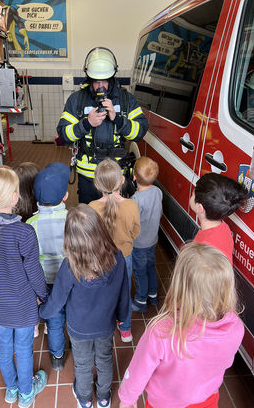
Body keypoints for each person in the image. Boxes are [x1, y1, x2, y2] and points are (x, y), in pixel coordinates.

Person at [118, 242, 244, 408]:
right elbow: (225, 362)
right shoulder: (235, 327)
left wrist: (127, 399)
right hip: (207, 400)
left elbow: (138, 371)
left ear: (180, 286)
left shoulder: (162, 330)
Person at [0, 166, 48, 408]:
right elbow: (34, 272)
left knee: (4, 347)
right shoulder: (23, 232)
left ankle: (11, 390)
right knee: (23, 348)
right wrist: (42, 295)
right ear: (15, 197)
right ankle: (26, 393)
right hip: (23, 304)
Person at [40, 204, 129, 408]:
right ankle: (104, 397)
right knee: (105, 359)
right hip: (106, 324)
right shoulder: (118, 258)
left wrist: (42, 312)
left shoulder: (70, 266)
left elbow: (57, 300)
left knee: (83, 363)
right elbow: (124, 294)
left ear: (70, 238)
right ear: (100, 229)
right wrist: (123, 317)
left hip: (78, 328)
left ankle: (85, 398)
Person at [56, 47, 149, 204]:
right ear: (89, 78)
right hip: (88, 176)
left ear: (112, 78)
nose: (100, 86)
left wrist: (118, 119)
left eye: (104, 81)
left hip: (116, 174)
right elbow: (64, 134)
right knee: (90, 218)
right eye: (96, 81)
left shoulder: (126, 100)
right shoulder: (76, 100)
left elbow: (139, 133)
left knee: (115, 220)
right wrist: (86, 123)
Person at [89, 158, 140, 343]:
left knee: (103, 291)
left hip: (101, 258)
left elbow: (92, 235)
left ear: (96, 184)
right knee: (124, 292)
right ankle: (125, 329)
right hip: (125, 256)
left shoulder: (92, 207)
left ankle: (104, 325)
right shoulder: (131, 205)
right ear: (122, 181)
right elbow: (135, 231)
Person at [27, 162, 69, 371]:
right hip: (69, 279)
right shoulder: (71, 219)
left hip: (44, 283)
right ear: (65, 196)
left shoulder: (30, 224)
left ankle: (57, 357)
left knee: (54, 319)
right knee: (73, 312)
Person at [190, 172, 248, 264]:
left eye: (192, 195)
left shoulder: (202, 252)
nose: (191, 196)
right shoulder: (223, 228)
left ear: (199, 208)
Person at [131, 157, 162, 313]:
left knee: (140, 271)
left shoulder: (135, 199)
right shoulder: (158, 192)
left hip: (139, 244)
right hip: (152, 240)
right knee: (151, 267)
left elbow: (132, 222)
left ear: (134, 176)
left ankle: (140, 300)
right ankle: (153, 295)